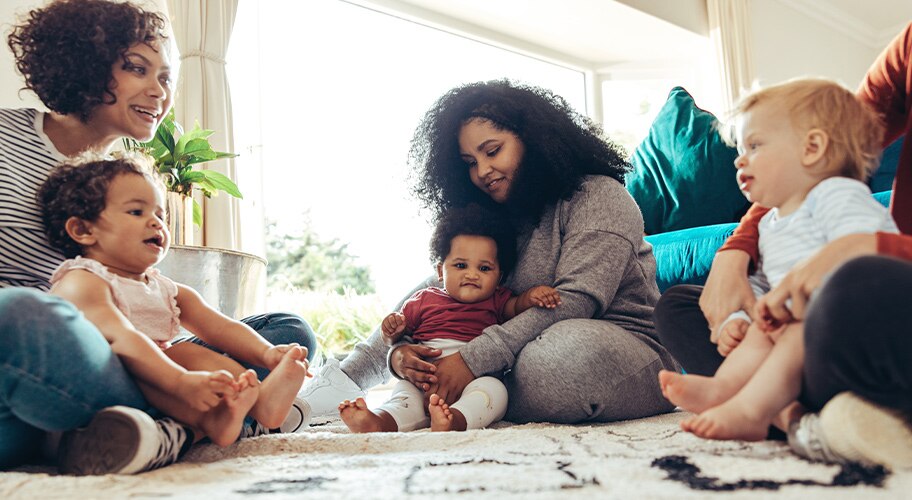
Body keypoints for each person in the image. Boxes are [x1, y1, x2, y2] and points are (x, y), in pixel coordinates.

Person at [0, 0, 316, 474]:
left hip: (120, 357)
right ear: (84, 63)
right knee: (21, 312)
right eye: (136, 69)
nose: (159, 91)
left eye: (165, 77)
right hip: (39, 345)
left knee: (287, 331)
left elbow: (146, 298)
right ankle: (198, 422)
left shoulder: (128, 178)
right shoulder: (5, 133)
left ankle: (166, 424)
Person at [302, 79, 679, 425]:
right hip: (513, 350)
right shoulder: (498, 218)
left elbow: (577, 301)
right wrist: (401, 354)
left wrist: (469, 359)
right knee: (445, 279)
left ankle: (447, 394)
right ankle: (349, 379)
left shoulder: (599, 195)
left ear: (534, 139)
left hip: (623, 347)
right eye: (469, 163)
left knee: (558, 363)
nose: (482, 171)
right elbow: (448, 301)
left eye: (492, 151)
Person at [654, 22, 912, 469]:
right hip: (812, 338)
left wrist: (857, 251)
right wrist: (737, 269)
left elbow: (864, 241)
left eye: (753, 145)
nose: (740, 157)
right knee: (679, 306)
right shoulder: (906, 52)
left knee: (847, 289)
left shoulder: (838, 196)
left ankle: (766, 409)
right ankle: (807, 415)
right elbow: (840, 130)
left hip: (864, 302)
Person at [38, 154, 311, 447]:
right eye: (136, 212)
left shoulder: (165, 289)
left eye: (160, 215)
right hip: (98, 390)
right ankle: (221, 419)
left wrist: (268, 354)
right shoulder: (82, 279)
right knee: (169, 357)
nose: (156, 223)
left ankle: (252, 407)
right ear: (84, 230)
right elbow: (121, 338)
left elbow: (220, 327)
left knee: (188, 354)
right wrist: (179, 381)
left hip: (157, 389)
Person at [338, 204, 560, 433]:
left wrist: (531, 297)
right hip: (423, 377)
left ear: (499, 277)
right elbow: (398, 337)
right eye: (461, 265)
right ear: (441, 271)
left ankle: (454, 419)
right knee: (404, 397)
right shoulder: (424, 299)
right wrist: (391, 331)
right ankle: (380, 421)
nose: (472, 274)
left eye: (484, 268)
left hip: (475, 377)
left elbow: (516, 307)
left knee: (494, 392)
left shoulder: (498, 299)